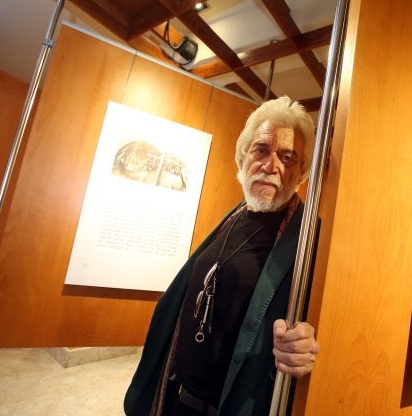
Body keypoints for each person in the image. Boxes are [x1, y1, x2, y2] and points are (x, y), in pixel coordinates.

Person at [124, 96, 320, 416]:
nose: (271, 166)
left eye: (287, 156)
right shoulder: (233, 218)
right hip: (176, 399)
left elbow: (324, 325)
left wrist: (310, 347)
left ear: (301, 174)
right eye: (261, 150)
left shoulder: (310, 239)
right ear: (242, 159)